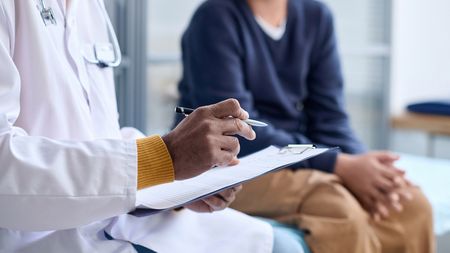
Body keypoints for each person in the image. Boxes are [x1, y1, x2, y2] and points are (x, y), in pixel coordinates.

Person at [0, 1, 284, 252]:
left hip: (112, 216)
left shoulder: (89, 7)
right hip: (34, 237)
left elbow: (99, 136)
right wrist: (165, 157)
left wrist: (183, 180)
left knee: (277, 244)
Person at [176, 0, 435, 252]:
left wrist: (366, 168)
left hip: (295, 158)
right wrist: (337, 164)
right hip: (234, 165)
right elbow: (236, 132)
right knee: (334, 203)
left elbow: (331, 118)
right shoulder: (215, 17)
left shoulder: (316, 16)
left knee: (411, 204)